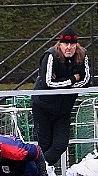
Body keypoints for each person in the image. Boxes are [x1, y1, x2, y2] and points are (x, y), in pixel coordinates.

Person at [32, 28, 90, 166]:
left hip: (63, 109)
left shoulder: (82, 55)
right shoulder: (51, 55)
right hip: (43, 106)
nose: (69, 47)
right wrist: (72, 80)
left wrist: (62, 83)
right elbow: (48, 83)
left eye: (72, 44)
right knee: (44, 144)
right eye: (65, 44)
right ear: (60, 44)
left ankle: (37, 171)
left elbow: (86, 81)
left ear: (77, 45)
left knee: (61, 144)